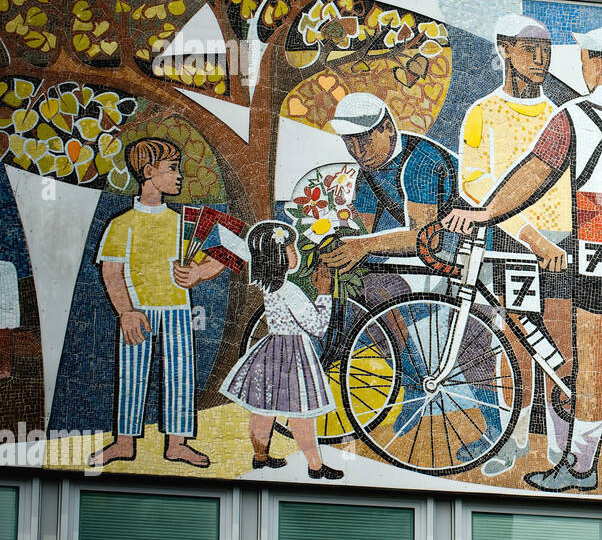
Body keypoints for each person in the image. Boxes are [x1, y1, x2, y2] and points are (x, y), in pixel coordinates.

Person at [444, 27, 602, 496]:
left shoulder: (570, 117)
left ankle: (579, 470)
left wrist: (486, 212)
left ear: (596, 64)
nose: (580, 68)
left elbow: (533, 175)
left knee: (591, 366)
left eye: (583, 60)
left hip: (591, 259)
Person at [458, 14, 574, 475]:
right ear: (505, 48)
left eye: (546, 49)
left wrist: (552, 240)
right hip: (513, 247)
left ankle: (562, 447)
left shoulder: (559, 117)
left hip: (561, 244)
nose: (541, 59)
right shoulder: (482, 114)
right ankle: (514, 439)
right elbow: (476, 184)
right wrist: (530, 237)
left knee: (561, 344)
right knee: (517, 344)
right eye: (530, 49)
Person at [322, 93, 458, 436]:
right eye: (349, 141)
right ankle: (407, 372)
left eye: (365, 138)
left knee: (383, 292)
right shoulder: (369, 171)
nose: (358, 150)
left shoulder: (420, 162)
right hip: (424, 260)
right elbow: (362, 230)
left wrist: (361, 246)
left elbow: (424, 239)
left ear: (387, 129)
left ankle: (414, 381)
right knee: (357, 286)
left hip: (463, 255)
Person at [87, 138, 226, 469]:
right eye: (172, 169)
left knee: (180, 374)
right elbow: (111, 272)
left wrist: (198, 273)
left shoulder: (180, 223)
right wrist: (125, 312)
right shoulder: (122, 224)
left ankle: (177, 444)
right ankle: (124, 443)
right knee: (132, 374)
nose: (179, 176)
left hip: (177, 310)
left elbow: (223, 256)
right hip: (138, 313)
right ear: (149, 172)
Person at [220, 221, 343, 479]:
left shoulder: (269, 286)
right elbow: (317, 326)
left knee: (263, 409)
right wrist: (324, 293)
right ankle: (315, 466)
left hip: (270, 351)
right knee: (301, 414)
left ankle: (260, 458)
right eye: (290, 248)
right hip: (293, 354)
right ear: (278, 256)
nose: (295, 252)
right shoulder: (289, 291)